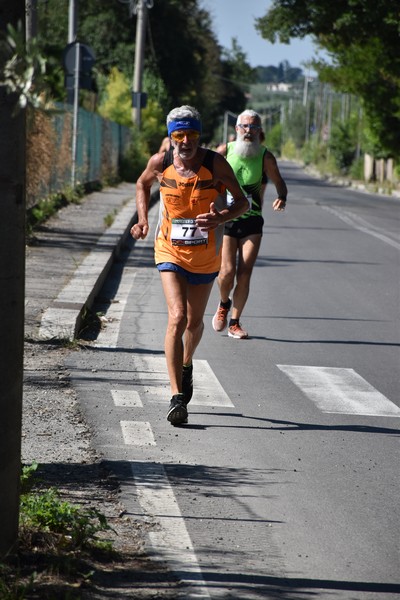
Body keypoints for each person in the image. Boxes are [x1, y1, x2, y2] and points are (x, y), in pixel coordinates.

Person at [131, 105, 249, 426]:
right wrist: (143, 220)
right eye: (179, 135)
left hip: (206, 256)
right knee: (177, 317)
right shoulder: (161, 163)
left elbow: (242, 202)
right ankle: (176, 396)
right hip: (169, 250)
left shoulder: (216, 164)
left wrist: (220, 217)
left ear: (200, 135)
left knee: (195, 323)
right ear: (171, 137)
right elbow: (142, 185)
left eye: (192, 134)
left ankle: (187, 364)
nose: (185, 141)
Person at [212, 109, 288, 339]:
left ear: (259, 131)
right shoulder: (225, 151)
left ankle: (235, 322)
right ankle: (224, 303)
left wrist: (282, 197)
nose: (249, 131)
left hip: (252, 221)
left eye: (254, 128)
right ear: (236, 129)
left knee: (245, 273)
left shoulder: (265, 156)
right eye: (245, 127)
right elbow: (205, 177)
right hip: (226, 219)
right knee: (226, 272)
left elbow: (279, 182)